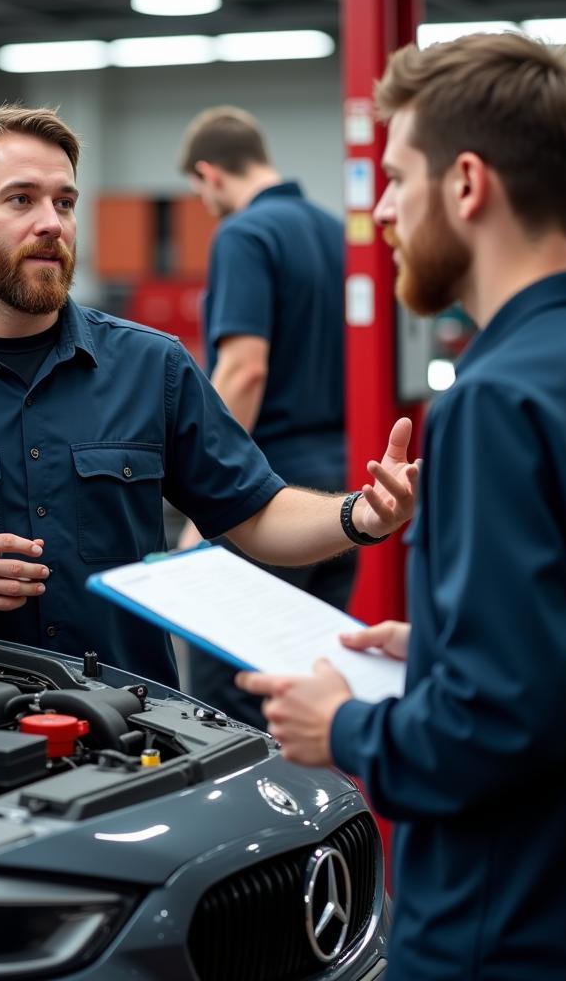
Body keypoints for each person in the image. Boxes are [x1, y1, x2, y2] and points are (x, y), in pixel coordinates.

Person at [237, 33, 566, 979]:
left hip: (513, 925)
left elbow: (497, 732)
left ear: (466, 183)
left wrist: (340, 728)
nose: (383, 210)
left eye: (396, 177)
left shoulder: (495, 397)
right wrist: (442, 645)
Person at [0, 103, 420, 690]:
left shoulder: (150, 365)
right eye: (21, 200)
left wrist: (357, 515)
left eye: (65, 202)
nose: (52, 223)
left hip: (132, 737)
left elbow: (257, 514)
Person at [175, 106, 352, 726]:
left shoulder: (246, 235)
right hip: (342, 494)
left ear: (209, 174)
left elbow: (245, 368)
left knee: (233, 694)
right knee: (320, 682)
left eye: (198, 192)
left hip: (272, 497)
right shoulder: (338, 232)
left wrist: (209, 497)